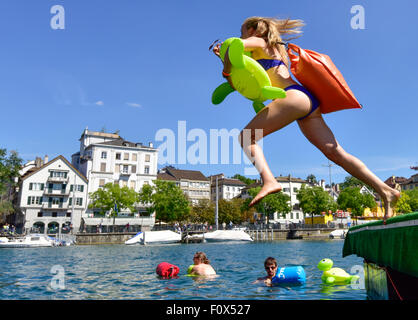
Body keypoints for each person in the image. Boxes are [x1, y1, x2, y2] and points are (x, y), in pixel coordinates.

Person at [212, 16, 400, 222]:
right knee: (336, 153)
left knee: (246, 137)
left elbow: (236, 47)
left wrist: (226, 60)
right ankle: (385, 190)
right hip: (307, 102)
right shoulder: (275, 50)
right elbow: (238, 77)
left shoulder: (260, 42)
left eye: (242, 31)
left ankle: (268, 180)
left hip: (292, 98)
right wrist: (224, 59)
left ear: (252, 29)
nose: (240, 35)